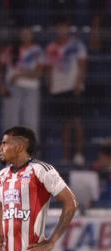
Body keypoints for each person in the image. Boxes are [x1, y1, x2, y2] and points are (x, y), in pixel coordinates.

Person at [44, 17, 87, 166]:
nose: (62, 30)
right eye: (59, 27)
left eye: (64, 27)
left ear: (68, 28)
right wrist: (49, 84)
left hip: (73, 89)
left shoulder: (77, 45)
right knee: (65, 125)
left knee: (77, 122)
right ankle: (66, 157)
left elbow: (82, 66)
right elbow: (48, 68)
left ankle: (79, 155)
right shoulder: (51, 47)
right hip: (58, 90)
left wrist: (78, 83)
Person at [0, 27, 43, 138]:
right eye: (23, 33)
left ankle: (29, 153)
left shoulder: (37, 50)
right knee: (11, 123)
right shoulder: (10, 50)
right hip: (12, 89)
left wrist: (19, 75)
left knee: (30, 123)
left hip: (31, 89)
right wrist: (1, 86)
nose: (26, 35)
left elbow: (38, 72)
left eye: (28, 33)